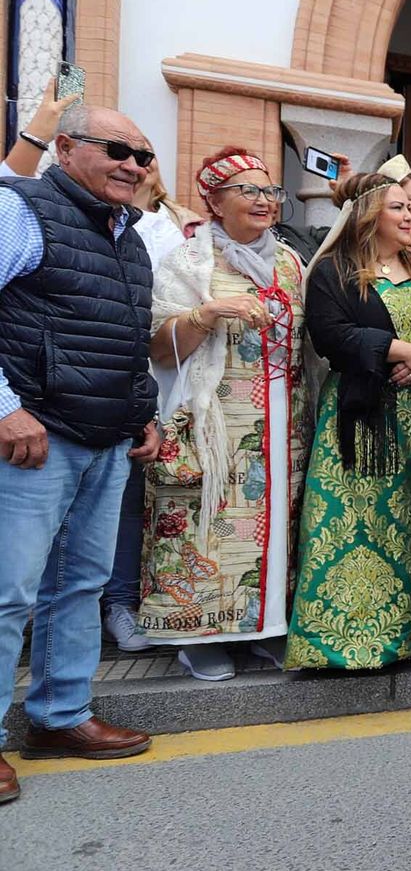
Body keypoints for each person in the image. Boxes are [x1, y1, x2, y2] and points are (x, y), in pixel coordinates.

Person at [0, 105, 165, 801]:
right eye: (117, 148)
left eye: (143, 154)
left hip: (105, 441)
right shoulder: (21, 207)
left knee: (81, 586)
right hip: (34, 437)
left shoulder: (128, 238)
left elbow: (127, 337)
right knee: (8, 593)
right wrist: (4, 408)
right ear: (64, 146)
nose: (132, 163)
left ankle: (60, 715)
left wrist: (143, 412)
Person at [286, 166, 411, 670]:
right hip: (362, 420)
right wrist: (398, 351)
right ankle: (345, 640)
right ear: (370, 214)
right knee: (357, 526)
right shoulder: (334, 271)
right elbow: (331, 336)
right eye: (399, 207)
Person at [137, 148, 308, 680]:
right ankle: (198, 634)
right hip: (214, 419)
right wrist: (207, 313)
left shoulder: (291, 262)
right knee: (205, 525)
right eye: (248, 191)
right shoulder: (187, 261)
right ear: (213, 200)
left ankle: (266, 626)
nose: (263, 201)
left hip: (284, 421)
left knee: (277, 525)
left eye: (269, 191)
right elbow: (160, 349)